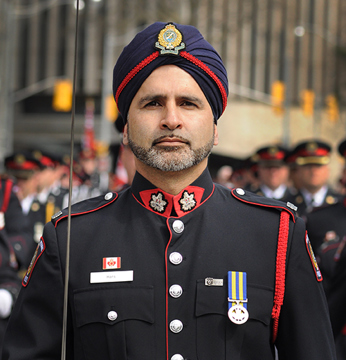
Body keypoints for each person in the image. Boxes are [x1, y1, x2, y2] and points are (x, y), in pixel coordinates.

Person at [3, 22, 336, 360]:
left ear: (215, 127)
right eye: (152, 104)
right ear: (126, 128)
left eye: (189, 103)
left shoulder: (276, 234)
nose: (171, 119)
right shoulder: (72, 237)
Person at [285, 140, 339, 217]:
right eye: (308, 166)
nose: (313, 171)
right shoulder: (286, 204)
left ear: (327, 170)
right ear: (298, 170)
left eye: (318, 166)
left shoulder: (340, 203)